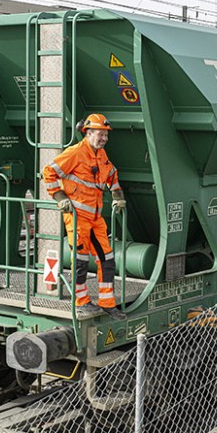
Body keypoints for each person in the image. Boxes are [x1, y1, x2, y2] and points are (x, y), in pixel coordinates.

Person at [43, 113, 127, 320]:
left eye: (106, 135)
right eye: (100, 134)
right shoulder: (75, 153)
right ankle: (81, 303)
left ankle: (107, 303)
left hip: (96, 217)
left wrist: (118, 196)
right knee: (80, 261)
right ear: (88, 133)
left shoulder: (101, 154)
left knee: (107, 259)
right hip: (78, 217)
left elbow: (111, 175)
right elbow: (48, 172)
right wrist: (60, 197)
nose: (104, 138)